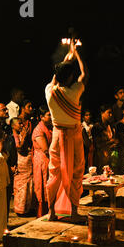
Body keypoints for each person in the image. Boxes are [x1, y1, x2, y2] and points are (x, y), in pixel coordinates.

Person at [45, 41, 88, 222]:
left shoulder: (49, 91)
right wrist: (77, 55)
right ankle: (74, 212)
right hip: (73, 135)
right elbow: (85, 74)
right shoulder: (75, 91)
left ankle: (52, 212)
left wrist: (65, 59)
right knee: (76, 172)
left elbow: (55, 79)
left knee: (54, 173)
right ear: (70, 77)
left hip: (57, 135)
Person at [0, 103, 14, 220]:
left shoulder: (8, 127)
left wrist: (13, 163)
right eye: (3, 110)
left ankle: (4, 224)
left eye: (6, 109)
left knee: (7, 196)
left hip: (8, 164)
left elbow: (12, 146)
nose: (6, 111)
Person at [11, 116, 35, 216]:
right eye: (19, 123)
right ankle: (20, 210)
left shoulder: (20, 134)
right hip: (20, 163)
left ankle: (27, 208)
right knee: (21, 187)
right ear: (13, 126)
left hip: (26, 163)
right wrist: (24, 136)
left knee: (28, 186)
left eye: (22, 123)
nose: (22, 125)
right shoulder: (14, 135)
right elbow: (19, 148)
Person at [32, 106, 53, 218]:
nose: (51, 117)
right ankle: (42, 215)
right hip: (42, 161)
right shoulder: (38, 130)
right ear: (41, 117)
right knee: (43, 187)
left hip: (49, 160)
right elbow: (45, 149)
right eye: (49, 115)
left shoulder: (49, 127)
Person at [92, 105, 119, 173]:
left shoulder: (111, 126)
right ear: (102, 113)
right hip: (101, 158)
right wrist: (110, 142)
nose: (111, 115)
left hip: (111, 157)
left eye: (111, 113)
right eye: (108, 112)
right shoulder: (96, 127)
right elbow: (97, 144)